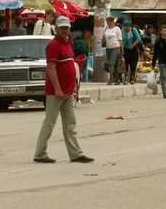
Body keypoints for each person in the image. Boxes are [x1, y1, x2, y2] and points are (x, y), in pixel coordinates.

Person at [33, 16, 93, 164]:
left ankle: (76, 154)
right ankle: (40, 154)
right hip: (56, 93)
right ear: (56, 29)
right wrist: (58, 89)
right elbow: (51, 69)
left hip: (68, 92)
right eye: (62, 28)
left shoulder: (68, 43)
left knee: (70, 124)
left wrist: (73, 89)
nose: (65, 30)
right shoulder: (53, 45)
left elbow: (69, 67)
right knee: (49, 123)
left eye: (67, 28)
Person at [102, 16, 123, 85]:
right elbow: (104, 38)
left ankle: (111, 78)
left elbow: (120, 40)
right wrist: (101, 41)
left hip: (116, 47)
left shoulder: (117, 29)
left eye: (109, 22)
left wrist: (121, 50)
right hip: (108, 48)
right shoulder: (106, 29)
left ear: (113, 22)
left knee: (111, 64)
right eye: (107, 22)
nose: (108, 23)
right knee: (112, 64)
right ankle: (117, 79)